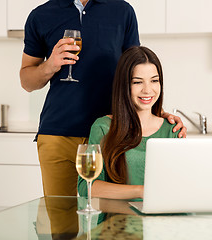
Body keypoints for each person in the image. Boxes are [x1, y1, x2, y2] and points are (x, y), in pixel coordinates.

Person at [20, 0, 186, 197]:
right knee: (62, 223)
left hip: (112, 135)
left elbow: (135, 69)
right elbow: (27, 81)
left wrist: (155, 114)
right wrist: (50, 65)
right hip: (59, 135)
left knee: (108, 219)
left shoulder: (123, 11)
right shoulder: (40, 15)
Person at [78, 46, 180, 199]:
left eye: (154, 81)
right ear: (124, 85)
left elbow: (179, 185)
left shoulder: (172, 129)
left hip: (160, 219)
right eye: (138, 82)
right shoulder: (103, 127)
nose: (148, 90)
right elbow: (87, 186)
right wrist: (141, 191)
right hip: (117, 221)